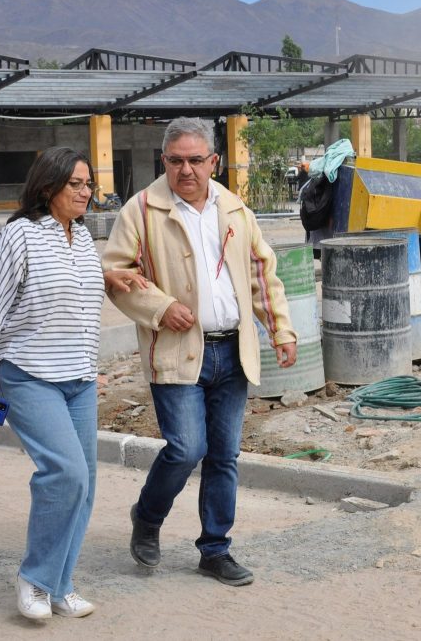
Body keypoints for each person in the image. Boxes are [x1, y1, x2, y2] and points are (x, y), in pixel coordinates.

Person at [102, 117, 298, 588]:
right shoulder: (142, 210)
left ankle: (215, 549)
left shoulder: (234, 209)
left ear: (214, 161)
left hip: (232, 351)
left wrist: (281, 331)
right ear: (164, 161)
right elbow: (115, 274)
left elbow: (261, 274)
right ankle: (147, 517)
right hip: (176, 351)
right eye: (176, 160)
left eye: (195, 159)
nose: (185, 169)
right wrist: (160, 306)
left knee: (225, 455)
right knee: (187, 447)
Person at [0, 146, 146, 621]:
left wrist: (109, 278)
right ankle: (35, 579)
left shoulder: (81, 237)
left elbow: (70, 280)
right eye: (77, 185)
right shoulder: (19, 235)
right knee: (64, 474)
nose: (87, 193)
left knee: (84, 484)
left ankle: (61, 584)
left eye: (90, 185)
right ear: (48, 188)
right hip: (28, 374)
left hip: (79, 378)